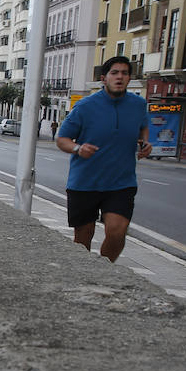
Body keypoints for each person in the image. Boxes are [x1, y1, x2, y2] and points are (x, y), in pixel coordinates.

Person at [54, 56, 151, 262]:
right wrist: (78, 148)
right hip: (84, 182)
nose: (120, 77)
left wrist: (145, 143)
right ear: (103, 78)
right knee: (83, 237)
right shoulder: (85, 106)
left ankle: (103, 269)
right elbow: (62, 139)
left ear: (129, 78)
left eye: (124, 73)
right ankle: (83, 273)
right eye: (114, 73)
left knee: (117, 232)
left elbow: (143, 127)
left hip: (121, 182)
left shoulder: (138, 105)